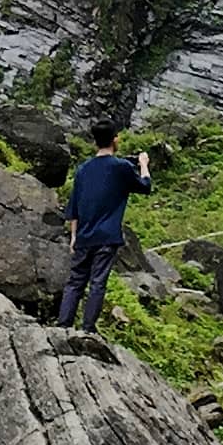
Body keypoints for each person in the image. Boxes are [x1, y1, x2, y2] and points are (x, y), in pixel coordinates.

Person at [53, 121, 151, 334]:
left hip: (83, 236)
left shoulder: (83, 170)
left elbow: (74, 207)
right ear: (115, 139)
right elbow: (145, 186)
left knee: (75, 282)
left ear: (94, 141)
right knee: (97, 283)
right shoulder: (121, 167)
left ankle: (63, 325)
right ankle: (88, 330)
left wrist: (73, 236)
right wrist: (143, 164)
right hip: (107, 237)